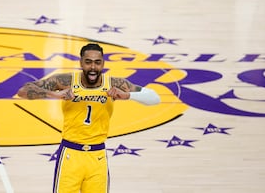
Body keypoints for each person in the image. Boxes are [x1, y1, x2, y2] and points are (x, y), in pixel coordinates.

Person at [17, 43, 160, 193]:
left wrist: (128, 95)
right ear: (81, 62)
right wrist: (55, 94)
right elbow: (23, 91)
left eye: (97, 62)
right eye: (88, 62)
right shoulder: (66, 81)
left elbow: (155, 98)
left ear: (103, 63)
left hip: (97, 156)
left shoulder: (114, 84)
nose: (93, 67)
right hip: (70, 155)